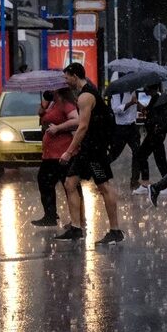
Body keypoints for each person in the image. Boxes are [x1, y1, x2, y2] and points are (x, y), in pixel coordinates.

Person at [56, 63, 125, 244]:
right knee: (70, 183)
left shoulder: (86, 96)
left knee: (104, 186)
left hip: (95, 150)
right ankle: (76, 228)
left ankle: (115, 231)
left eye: (67, 77)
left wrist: (69, 152)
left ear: (75, 75)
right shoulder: (84, 94)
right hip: (88, 149)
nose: (65, 80)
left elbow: (83, 126)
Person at [31, 88, 83, 226]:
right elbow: (42, 116)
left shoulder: (67, 104)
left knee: (70, 186)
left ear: (59, 91)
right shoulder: (53, 104)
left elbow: (77, 120)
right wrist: (44, 105)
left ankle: (77, 220)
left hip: (63, 153)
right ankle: (50, 215)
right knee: (45, 182)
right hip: (50, 154)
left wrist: (58, 128)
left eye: (51, 90)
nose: (49, 91)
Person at [133, 83, 167, 195]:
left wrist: (153, 124)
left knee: (144, 155)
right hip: (155, 134)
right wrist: (140, 106)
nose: (144, 89)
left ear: (151, 88)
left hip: (155, 134)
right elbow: (149, 112)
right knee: (159, 158)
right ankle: (164, 184)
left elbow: (156, 116)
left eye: (146, 87)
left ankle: (150, 183)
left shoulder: (158, 99)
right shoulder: (155, 99)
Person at [108, 72, 141, 190]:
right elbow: (116, 110)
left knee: (138, 153)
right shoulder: (117, 93)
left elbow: (134, 104)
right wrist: (130, 103)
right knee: (113, 154)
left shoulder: (132, 90)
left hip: (132, 126)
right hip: (121, 128)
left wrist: (139, 106)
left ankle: (134, 181)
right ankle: (99, 175)